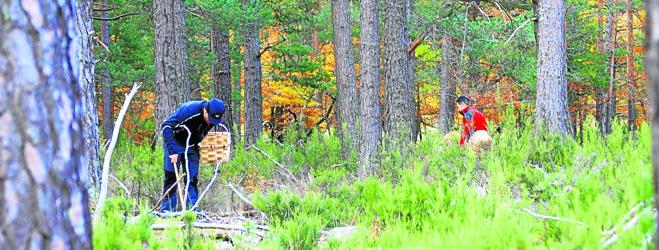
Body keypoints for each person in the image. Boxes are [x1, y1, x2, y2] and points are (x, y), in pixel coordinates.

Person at [160, 98, 225, 212]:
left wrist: (200, 143)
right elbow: (166, 126)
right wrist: (172, 151)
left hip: (192, 145)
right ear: (205, 110)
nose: (210, 122)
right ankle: (167, 211)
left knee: (192, 178)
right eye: (209, 118)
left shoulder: (213, 118)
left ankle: (192, 210)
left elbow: (202, 131)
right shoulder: (190, 110)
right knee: (171, 177)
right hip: (175, 142)